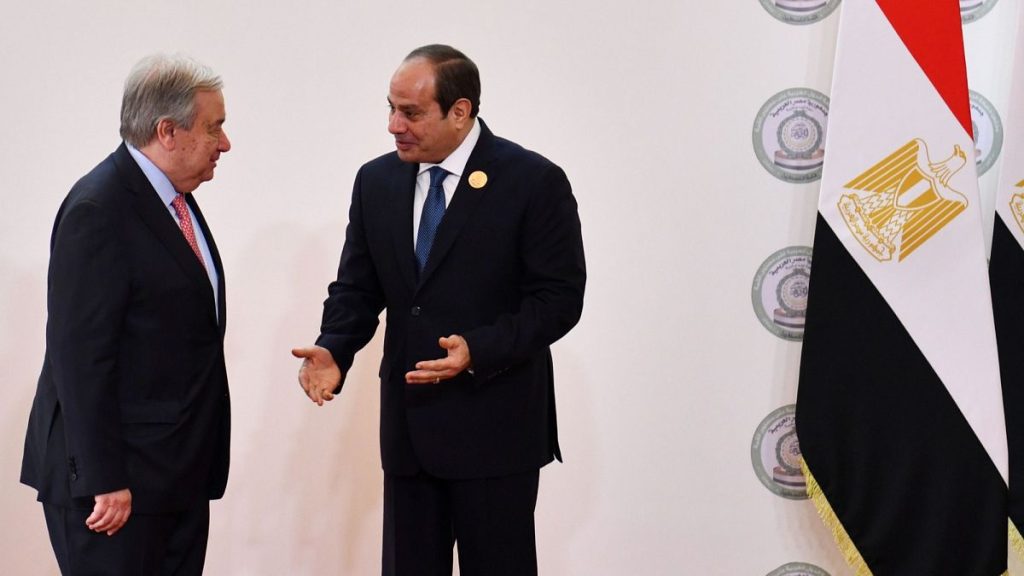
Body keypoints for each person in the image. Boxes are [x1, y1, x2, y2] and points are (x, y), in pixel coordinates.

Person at [292, 44, 586, 576]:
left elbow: (559, 299)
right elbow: (358, 287)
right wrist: (335, 347)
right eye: (390, 108)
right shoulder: (376, 181)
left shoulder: (532, 181)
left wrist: (479, 348)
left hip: (496, 430)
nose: (393, 126)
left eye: (410, 113)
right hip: (410, 434)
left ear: (461, 111)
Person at [20, 53, 232, 575]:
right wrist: (103, 477)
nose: (225, 144)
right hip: (116, 492)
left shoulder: (172, 199)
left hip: (174, 477)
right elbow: (79, 356)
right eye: (214, 128)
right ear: (168, 131)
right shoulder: (99, 208)